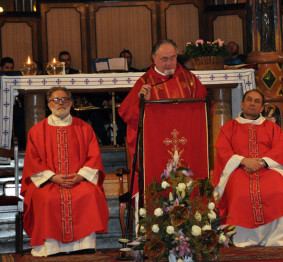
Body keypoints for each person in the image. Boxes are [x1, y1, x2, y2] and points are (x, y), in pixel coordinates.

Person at [21, 86, 109, 257]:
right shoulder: (37, 131)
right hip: (49, 183)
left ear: (71, 103)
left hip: (79, 180)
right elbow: (33, 161)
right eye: (56, 100)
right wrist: (53, 178)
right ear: (48, 104)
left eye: (64, 99)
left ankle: (85, 245)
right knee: (46, 198)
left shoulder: (84, 128)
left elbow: (94, 157)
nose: (60, 103)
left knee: (89, 194)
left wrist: (80, 176)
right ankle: (52, 247)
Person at [118, 39, 207, 193]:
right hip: (157, 147)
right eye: (164, 59)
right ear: (153, 58)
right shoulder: (145, 82)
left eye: (172, 58)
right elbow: (128, 115)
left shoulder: (190, 80)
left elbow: (205, 111)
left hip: (187, 145)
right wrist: (141, 102)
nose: (169, 63)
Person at [213, 89, 283, 247]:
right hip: (238, 169)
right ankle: (242, 238)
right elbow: (223, 151)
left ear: (261, 108)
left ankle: (276, 238)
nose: (252, 103)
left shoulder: (272, 128)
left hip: (268, 169)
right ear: (242, 104)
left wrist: (261, 162)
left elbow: (279, 149)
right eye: (249, 100)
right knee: (239, 192)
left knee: (277, 191)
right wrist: (244, 160)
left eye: (257, 101)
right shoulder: (229, 128)